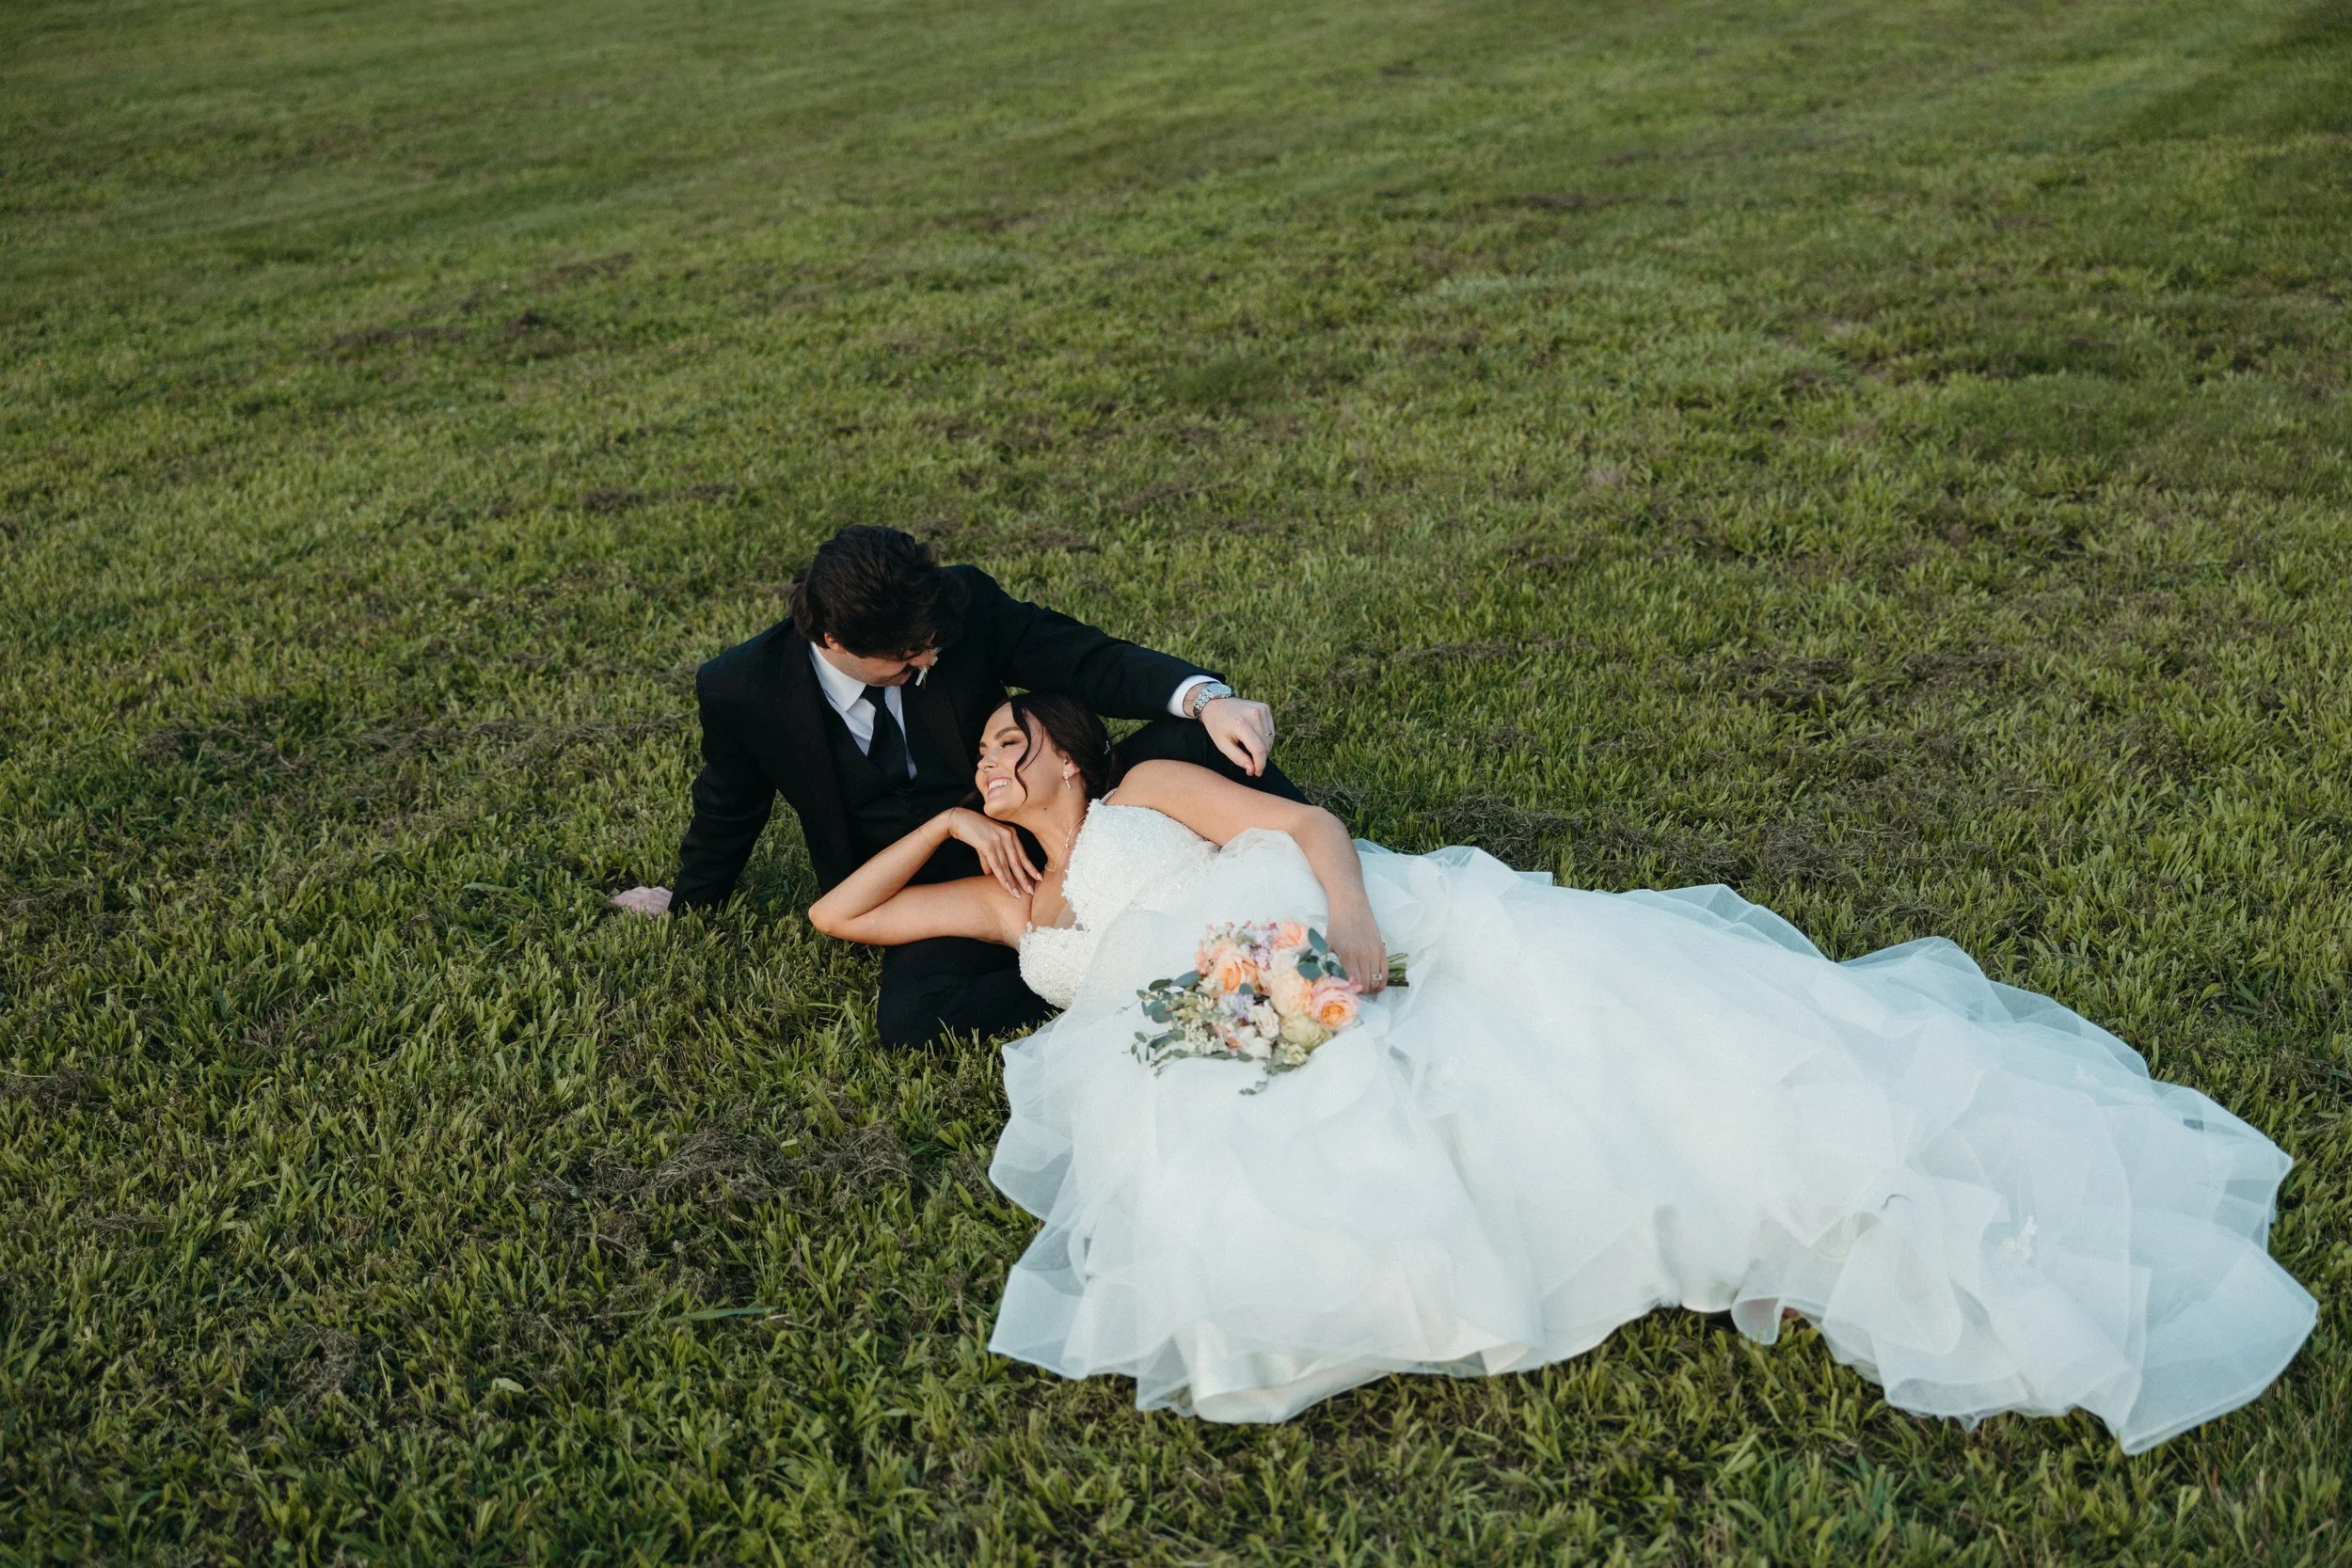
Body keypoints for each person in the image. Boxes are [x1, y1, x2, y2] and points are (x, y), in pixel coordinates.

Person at [808, 691, 2318, 1451]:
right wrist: (948, 830)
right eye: (986, 753)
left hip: (1317, 938)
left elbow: (1311, 830)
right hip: (1202, 1024)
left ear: (1066, 752)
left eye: (1011, 744)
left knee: (1538, 1053)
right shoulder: (1017, 900)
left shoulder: (1144, 784)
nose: (996, 761)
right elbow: (840, 913)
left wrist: (1352, 935)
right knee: (1269, 1162)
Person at [609, 525, 1305, 1047]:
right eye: (908, 659)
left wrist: (1205, 697)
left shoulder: (958, 604)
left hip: (1051, 807)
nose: (932, 658)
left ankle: (1307, 884)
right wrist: (690, 902)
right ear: (830, 638)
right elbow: (728, 805)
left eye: (934, 641)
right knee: (914, 1019)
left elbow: (1083, 657)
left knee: (1194, 737)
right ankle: (1102, 972)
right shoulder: (742, 689)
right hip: (934, 873)